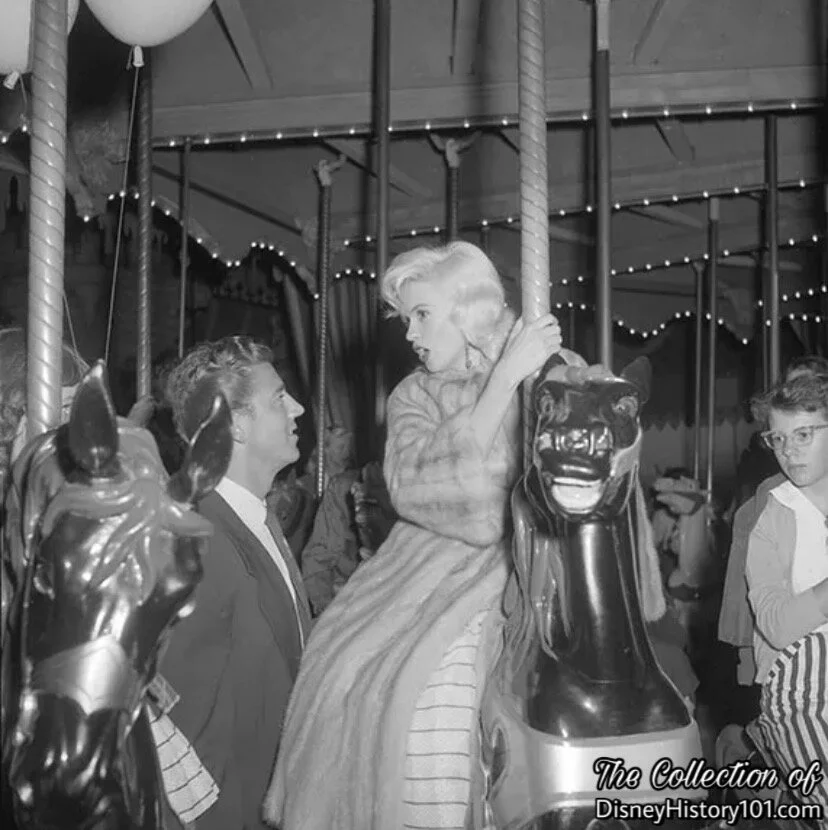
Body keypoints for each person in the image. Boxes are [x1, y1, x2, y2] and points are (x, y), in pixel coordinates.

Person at [262, 240, 565, 830]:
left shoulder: (550, 371)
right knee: (349, 665)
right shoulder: (413, 395)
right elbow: (423, 489)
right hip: (430, 561)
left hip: (543, 556)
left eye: (421, 314)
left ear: (467, 308)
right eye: (405, 319)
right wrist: (504, 380)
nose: (410, 333)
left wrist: (548, 371)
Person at [160, 335, 312, 830]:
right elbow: (175, 722)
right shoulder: (198, 535)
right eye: (279, 398)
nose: (297, 408)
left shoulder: (253, 518)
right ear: (236, 425)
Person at [744, 370, 828, 808]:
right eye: (777, 439)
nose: (788, 450)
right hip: (799, 686)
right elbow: (775, 626)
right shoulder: (771, 520)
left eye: (803, 435)